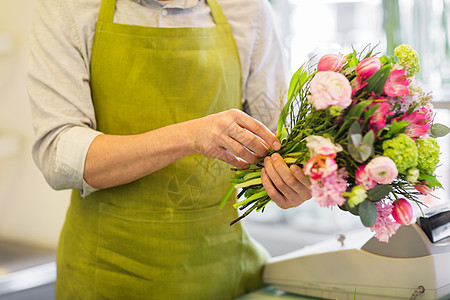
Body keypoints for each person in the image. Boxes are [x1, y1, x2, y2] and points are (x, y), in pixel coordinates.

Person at [27, 0, 312, 298]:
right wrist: (190, 135)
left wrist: (291, 182)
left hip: (223, 274)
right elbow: (58, 157)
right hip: (106, 274)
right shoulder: (67, 9)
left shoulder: (248, 10)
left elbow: (276, 142)